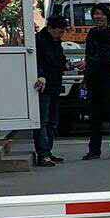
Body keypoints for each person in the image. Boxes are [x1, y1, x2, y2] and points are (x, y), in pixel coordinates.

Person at [81, 4, 110, 161]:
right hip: (93, 79)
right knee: (94, 117)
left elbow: (107, 55)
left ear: (107, 17)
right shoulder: (92, 33)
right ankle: (94, 151)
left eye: (100, 14)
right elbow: (88, 54)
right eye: (95, 14)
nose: (97, 17)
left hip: (109, 78)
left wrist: (89, 62)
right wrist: (86, 76)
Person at [32, 13, 67, 167]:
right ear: (51, 28)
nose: (62, 34)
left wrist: (67, 65)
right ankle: (43, 154)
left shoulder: (55, 41)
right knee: (43, 121)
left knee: (52, 121)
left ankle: (48, 151)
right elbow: (37, 61)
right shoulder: (39, 41)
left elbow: (59, 60)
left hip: (55, 84)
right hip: (43, 86)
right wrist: (41, 75)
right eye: (60, 31)